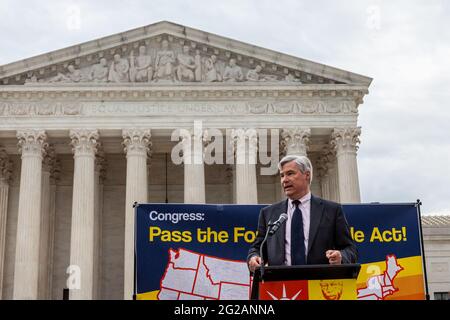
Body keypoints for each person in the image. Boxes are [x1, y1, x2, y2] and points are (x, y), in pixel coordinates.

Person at [247, 155, 357, 272]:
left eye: (290, 173)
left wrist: (341, 256)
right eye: (282, 175)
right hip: (281, 285)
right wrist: (254, 257)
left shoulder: (332, 210)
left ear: (307, 175)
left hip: (319, 283)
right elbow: (258, 247)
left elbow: (350, 249)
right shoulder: (269, 213)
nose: (285, 180)